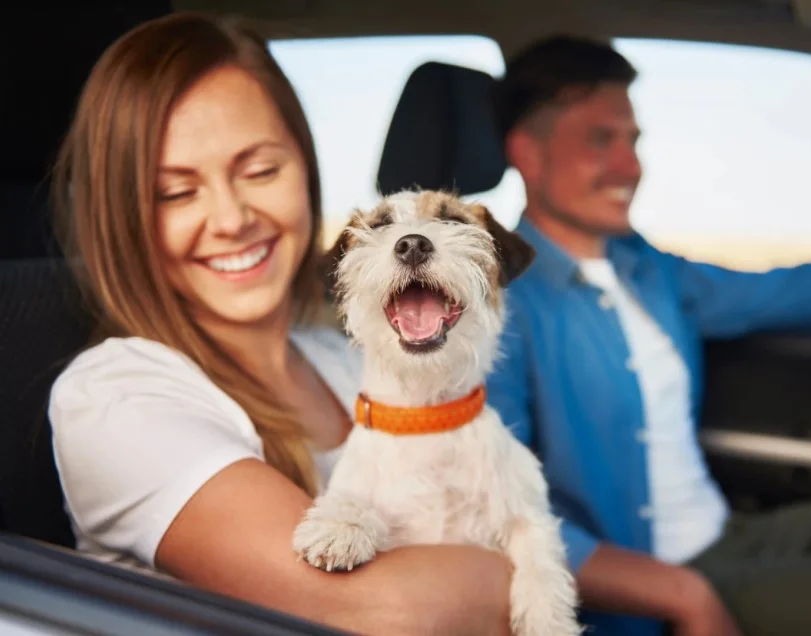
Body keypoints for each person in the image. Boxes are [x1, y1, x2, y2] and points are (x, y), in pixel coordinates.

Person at [47, 13, 512, 636]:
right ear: (124, 220)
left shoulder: (347, 358)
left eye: (261, 171)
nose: (232, 218)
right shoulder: (114, 395)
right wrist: (525, 568)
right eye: (176, 193)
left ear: (306, 169)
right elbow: (378, 610)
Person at [485, 34, 811, 636]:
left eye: (633, 141)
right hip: (643, 588)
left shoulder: (646, 270)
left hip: (724, 537)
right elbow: (500, 512)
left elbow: (795, 289)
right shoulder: (500, 305)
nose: (632, 167)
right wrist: (681, 595)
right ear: (527, 152)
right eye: (601, 140)